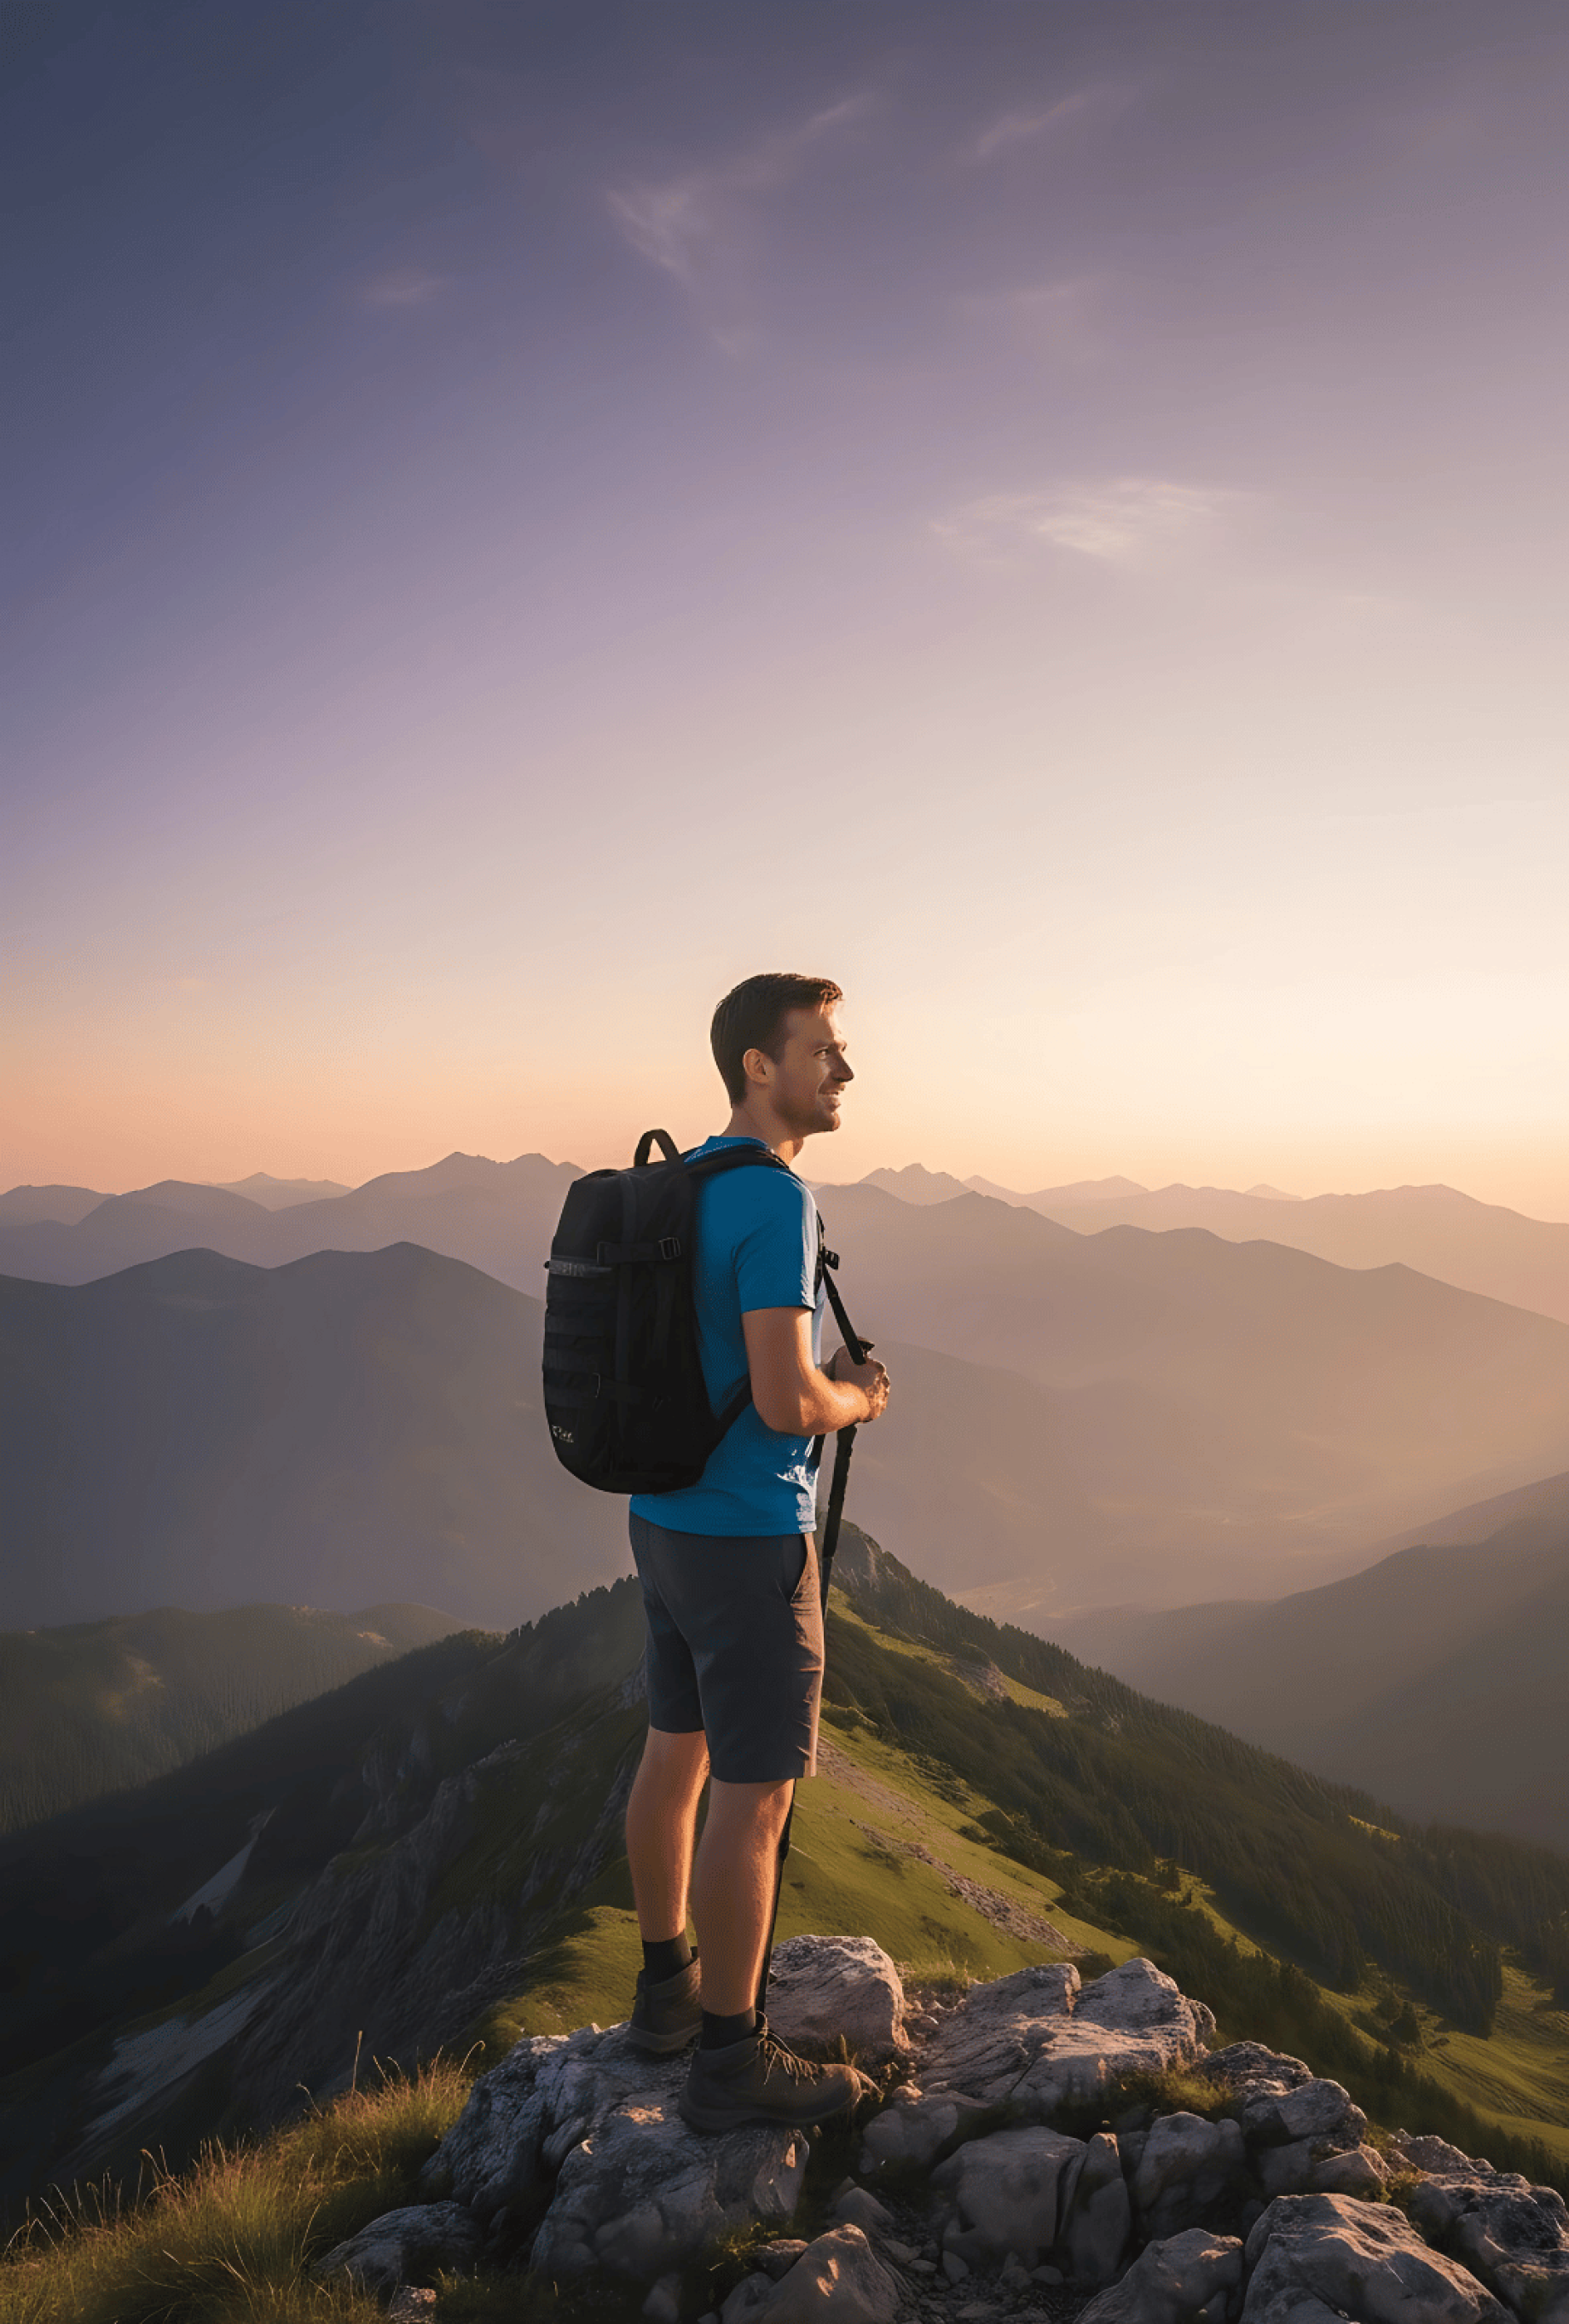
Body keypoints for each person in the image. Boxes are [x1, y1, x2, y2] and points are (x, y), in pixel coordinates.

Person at [622, 971, 892, 2132]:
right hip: (745, 1536)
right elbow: (786, 1399)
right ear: (758, 1067)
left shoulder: (679, 1181)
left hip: (663, 1516)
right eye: (822, 1048)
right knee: (756, 1794)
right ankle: (731, 2060)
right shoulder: (773, 1202)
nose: (842, 1068)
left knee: (672, 1750)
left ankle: (664, 1993)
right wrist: (863, 1400)